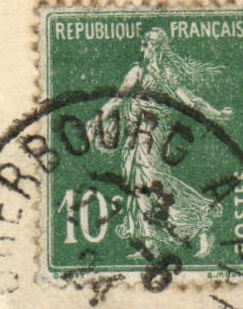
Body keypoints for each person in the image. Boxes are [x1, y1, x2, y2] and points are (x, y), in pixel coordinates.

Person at [94, 28, 232, 257]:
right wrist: (99, 117)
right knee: (136, 184)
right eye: (144, 44)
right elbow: (117, 100)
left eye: (149, 45)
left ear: (160, 49)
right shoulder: (136, 72)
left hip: (153, 134)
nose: (144, 49)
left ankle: (200, 223)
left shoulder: (167, 75)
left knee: (155, 183)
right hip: (133, 137)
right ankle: (151, 243)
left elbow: (190, 101)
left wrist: (215, 113)